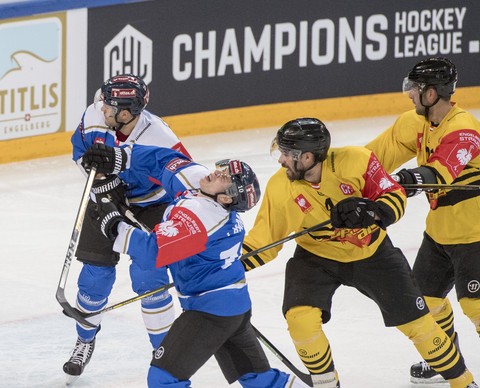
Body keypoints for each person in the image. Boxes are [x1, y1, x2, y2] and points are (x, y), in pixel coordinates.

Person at [240, 118, 478, 388]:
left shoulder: (355, 160)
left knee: (419, 325)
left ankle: (464, 382)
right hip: (316, 258)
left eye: (286, 153)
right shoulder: (279, 187)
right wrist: (228, 266)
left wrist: (373, 211)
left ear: (307, 156)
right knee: (300, 319)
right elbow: (263, 241)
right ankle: (327, 384)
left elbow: (394, 194)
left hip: (373, 253)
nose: (281, 160)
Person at [81, 143, 309, 388]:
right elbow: (166, 161)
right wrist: (121, 156)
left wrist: (114, 225)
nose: (218, 173)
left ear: (225, 197)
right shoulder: (205, 189)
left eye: (226, 178)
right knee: (259, 380)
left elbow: (153, 252)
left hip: (209, 313)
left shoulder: (202, 217)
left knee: (163, 379)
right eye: (224, 169)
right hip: (233, 307)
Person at [366, 57, 480, 388]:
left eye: (414, 90)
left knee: (479, 306)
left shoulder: (465, 129)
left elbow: (440, 171)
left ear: (430, 94)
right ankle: (448, 360)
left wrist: (409, 178)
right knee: (424, 304)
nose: (409, 96)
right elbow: (369, 160)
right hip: (440, 231)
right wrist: (341, 181)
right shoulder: (414, 124)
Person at [64, 74, 193, 384]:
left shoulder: (159, 136)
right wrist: (102, 186)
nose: (102, 109)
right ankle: (84, 340)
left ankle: (163, 354)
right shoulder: (96, 114)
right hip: (103, 199)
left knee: (151, 278)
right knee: (95, 278)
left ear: (127, 113)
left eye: (110, 107)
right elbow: (80, 153)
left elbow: (186, 179)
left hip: (152, 206)